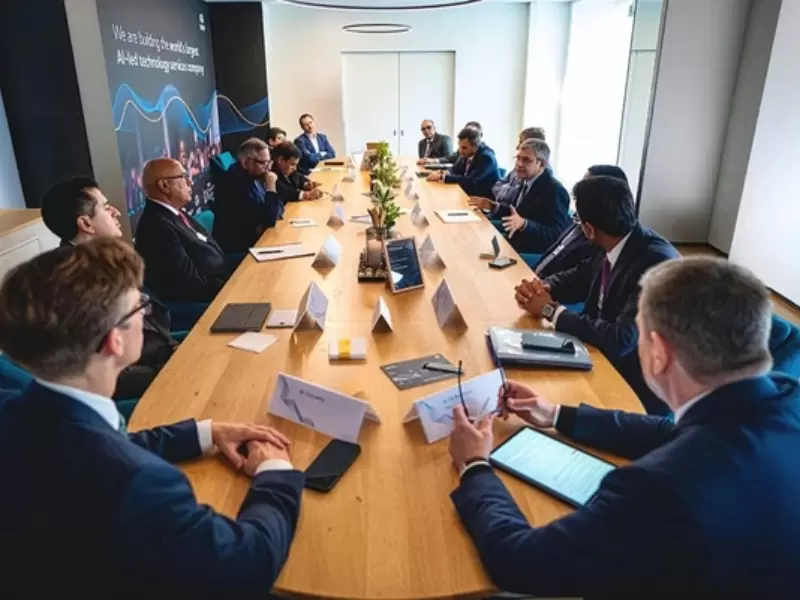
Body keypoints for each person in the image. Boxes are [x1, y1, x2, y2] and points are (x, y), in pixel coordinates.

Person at [449, 257, 800, 598]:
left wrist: (474, 465)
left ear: (659, 353)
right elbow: (671, 433)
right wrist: (555, 414)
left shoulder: (654, 488)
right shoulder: (785, 395)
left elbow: (520, 563)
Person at [0, 238, 304, 595]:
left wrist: (204, 433)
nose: (145, 313)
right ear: (114, 341)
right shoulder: (141, 485)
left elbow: (88, 446)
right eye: (138, 307)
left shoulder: (15, 410)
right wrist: (275, 471)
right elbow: (248, 564)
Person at [515, 175, 679, 415]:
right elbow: (581, 276)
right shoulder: (617, 239)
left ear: (588, 229)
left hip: (640, 385)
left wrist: (550, 310)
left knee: (537, 395)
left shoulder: (655, 263)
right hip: (600, 352)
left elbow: (621, 339)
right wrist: (542, 288)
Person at [41, 177, 177, 400]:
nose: (116, 212)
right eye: (105, 207)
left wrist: (175, 350)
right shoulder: (70, 283)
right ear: (86, 224)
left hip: (163, 356)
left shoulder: (106, 260)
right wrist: (169, 373)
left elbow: (152, 322)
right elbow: (100, 369)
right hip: (145, 385)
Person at [135, 158, 231, 303]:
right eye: (184, 177)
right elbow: (191, 286)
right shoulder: (156, 227)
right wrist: (233, 287)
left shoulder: (174, 213)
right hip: (209, 301)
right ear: (164, 185)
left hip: (223, 280)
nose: (190, 182)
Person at [469, 139, 569, 254]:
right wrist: (494, 206)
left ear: (541, 164)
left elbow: (556, 234)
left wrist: (525, 224)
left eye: (526, 160)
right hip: (515, 241)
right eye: (518, 158)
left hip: (532, 252)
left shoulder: (555, 190)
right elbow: (518, 215)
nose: (519, 164)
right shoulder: (526, 180)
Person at [532, 164, 627, 279]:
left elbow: (577, 278)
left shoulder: (602, 241)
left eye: (586, 188)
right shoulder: (580, 218)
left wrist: (544, 284)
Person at [213, 138, 283, 254]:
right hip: (239, 250)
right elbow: (269, 219)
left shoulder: (253, 176)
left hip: (254, 241)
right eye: (263, 163)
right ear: (246, 162)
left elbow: (278, 208)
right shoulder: (235, 183)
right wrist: (271, 187)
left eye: (269, 162)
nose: (268, 168)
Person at [427, 127, 499, 198]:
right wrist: (443, 172)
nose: (460, 151)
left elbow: (470, 181)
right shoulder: (467, 153)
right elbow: (455, 169)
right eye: (459, 147)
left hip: (481, 198)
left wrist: (442, 177)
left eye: (464, 148)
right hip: (465, 192)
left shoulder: (486, 158)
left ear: (475, 146)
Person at [490, 127, 547, 204]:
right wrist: (510, 189)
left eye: (521, 142)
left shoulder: (538, 173)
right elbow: (497, 186)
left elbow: (515, 197)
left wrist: (507, 189)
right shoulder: (521, 164)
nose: (517, 147)